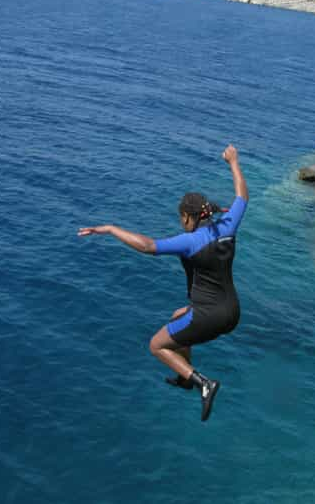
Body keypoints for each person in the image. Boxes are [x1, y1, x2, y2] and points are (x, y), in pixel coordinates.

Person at [78, 144, 248, 422]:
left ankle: (204, 383)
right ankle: (185, 376)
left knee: (157, 345)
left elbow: (147, 246)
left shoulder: (190, 241)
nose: (181, 222)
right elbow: (242, 195)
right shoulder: (227, 226)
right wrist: (233, 162)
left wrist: (110, 229)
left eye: (182, 217)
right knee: (178, 315)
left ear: (190, 217)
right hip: (233, 312)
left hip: (210, 316)